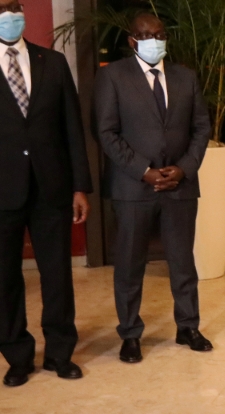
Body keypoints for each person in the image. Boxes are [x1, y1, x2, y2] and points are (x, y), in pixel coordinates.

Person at [94, 12, 212, 364]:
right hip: (133, 188)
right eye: (145, 35)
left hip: (179, 185)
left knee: (182, 262)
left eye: (159, 34)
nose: (153, 40)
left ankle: (187, 326)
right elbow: (106, 133)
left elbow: (201, 128)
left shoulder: (185, 77)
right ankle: (130, 333)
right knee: (130, 265)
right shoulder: (111, 76)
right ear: (132, 41)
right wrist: (143, 171)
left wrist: (184, 168)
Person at [0, 0, 92, 387]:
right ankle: (17, 356)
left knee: (57, 274)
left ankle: (59, 352)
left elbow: (73, 128)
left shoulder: (52, 63)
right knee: (5, 278)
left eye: (15, 7)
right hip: (2, 192)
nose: (11, 14)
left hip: (51, 188)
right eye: (2, 8)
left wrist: (79, 186)